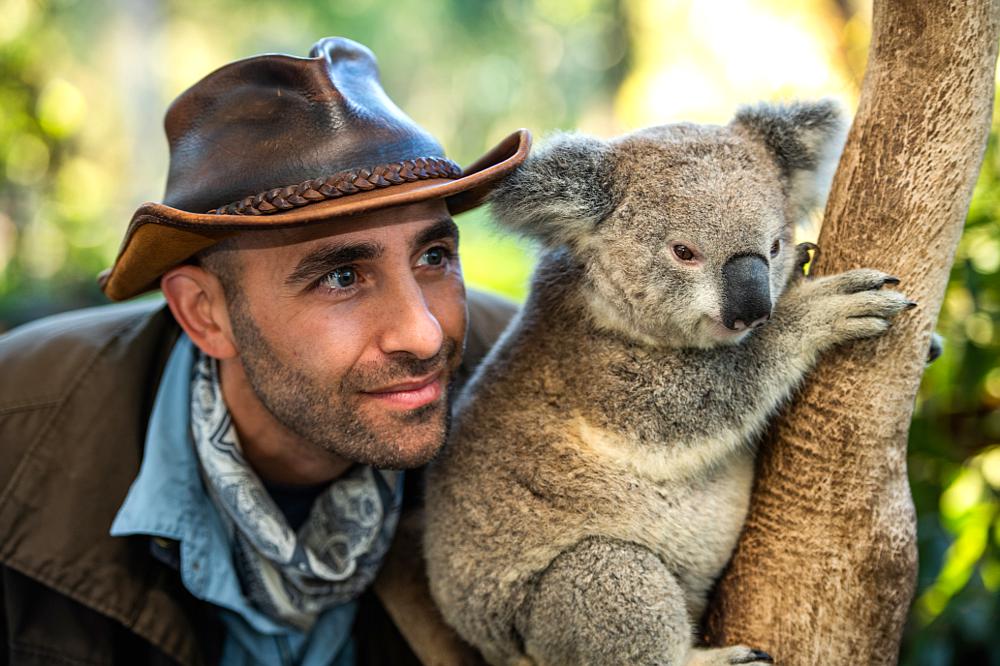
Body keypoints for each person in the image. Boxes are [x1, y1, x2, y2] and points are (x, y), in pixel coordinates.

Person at [0, 36, 530, 665]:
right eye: (341, 277)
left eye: (434, 256)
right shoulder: (16, 430)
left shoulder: (532, 379)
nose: (422, 334)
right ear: (205, 313)